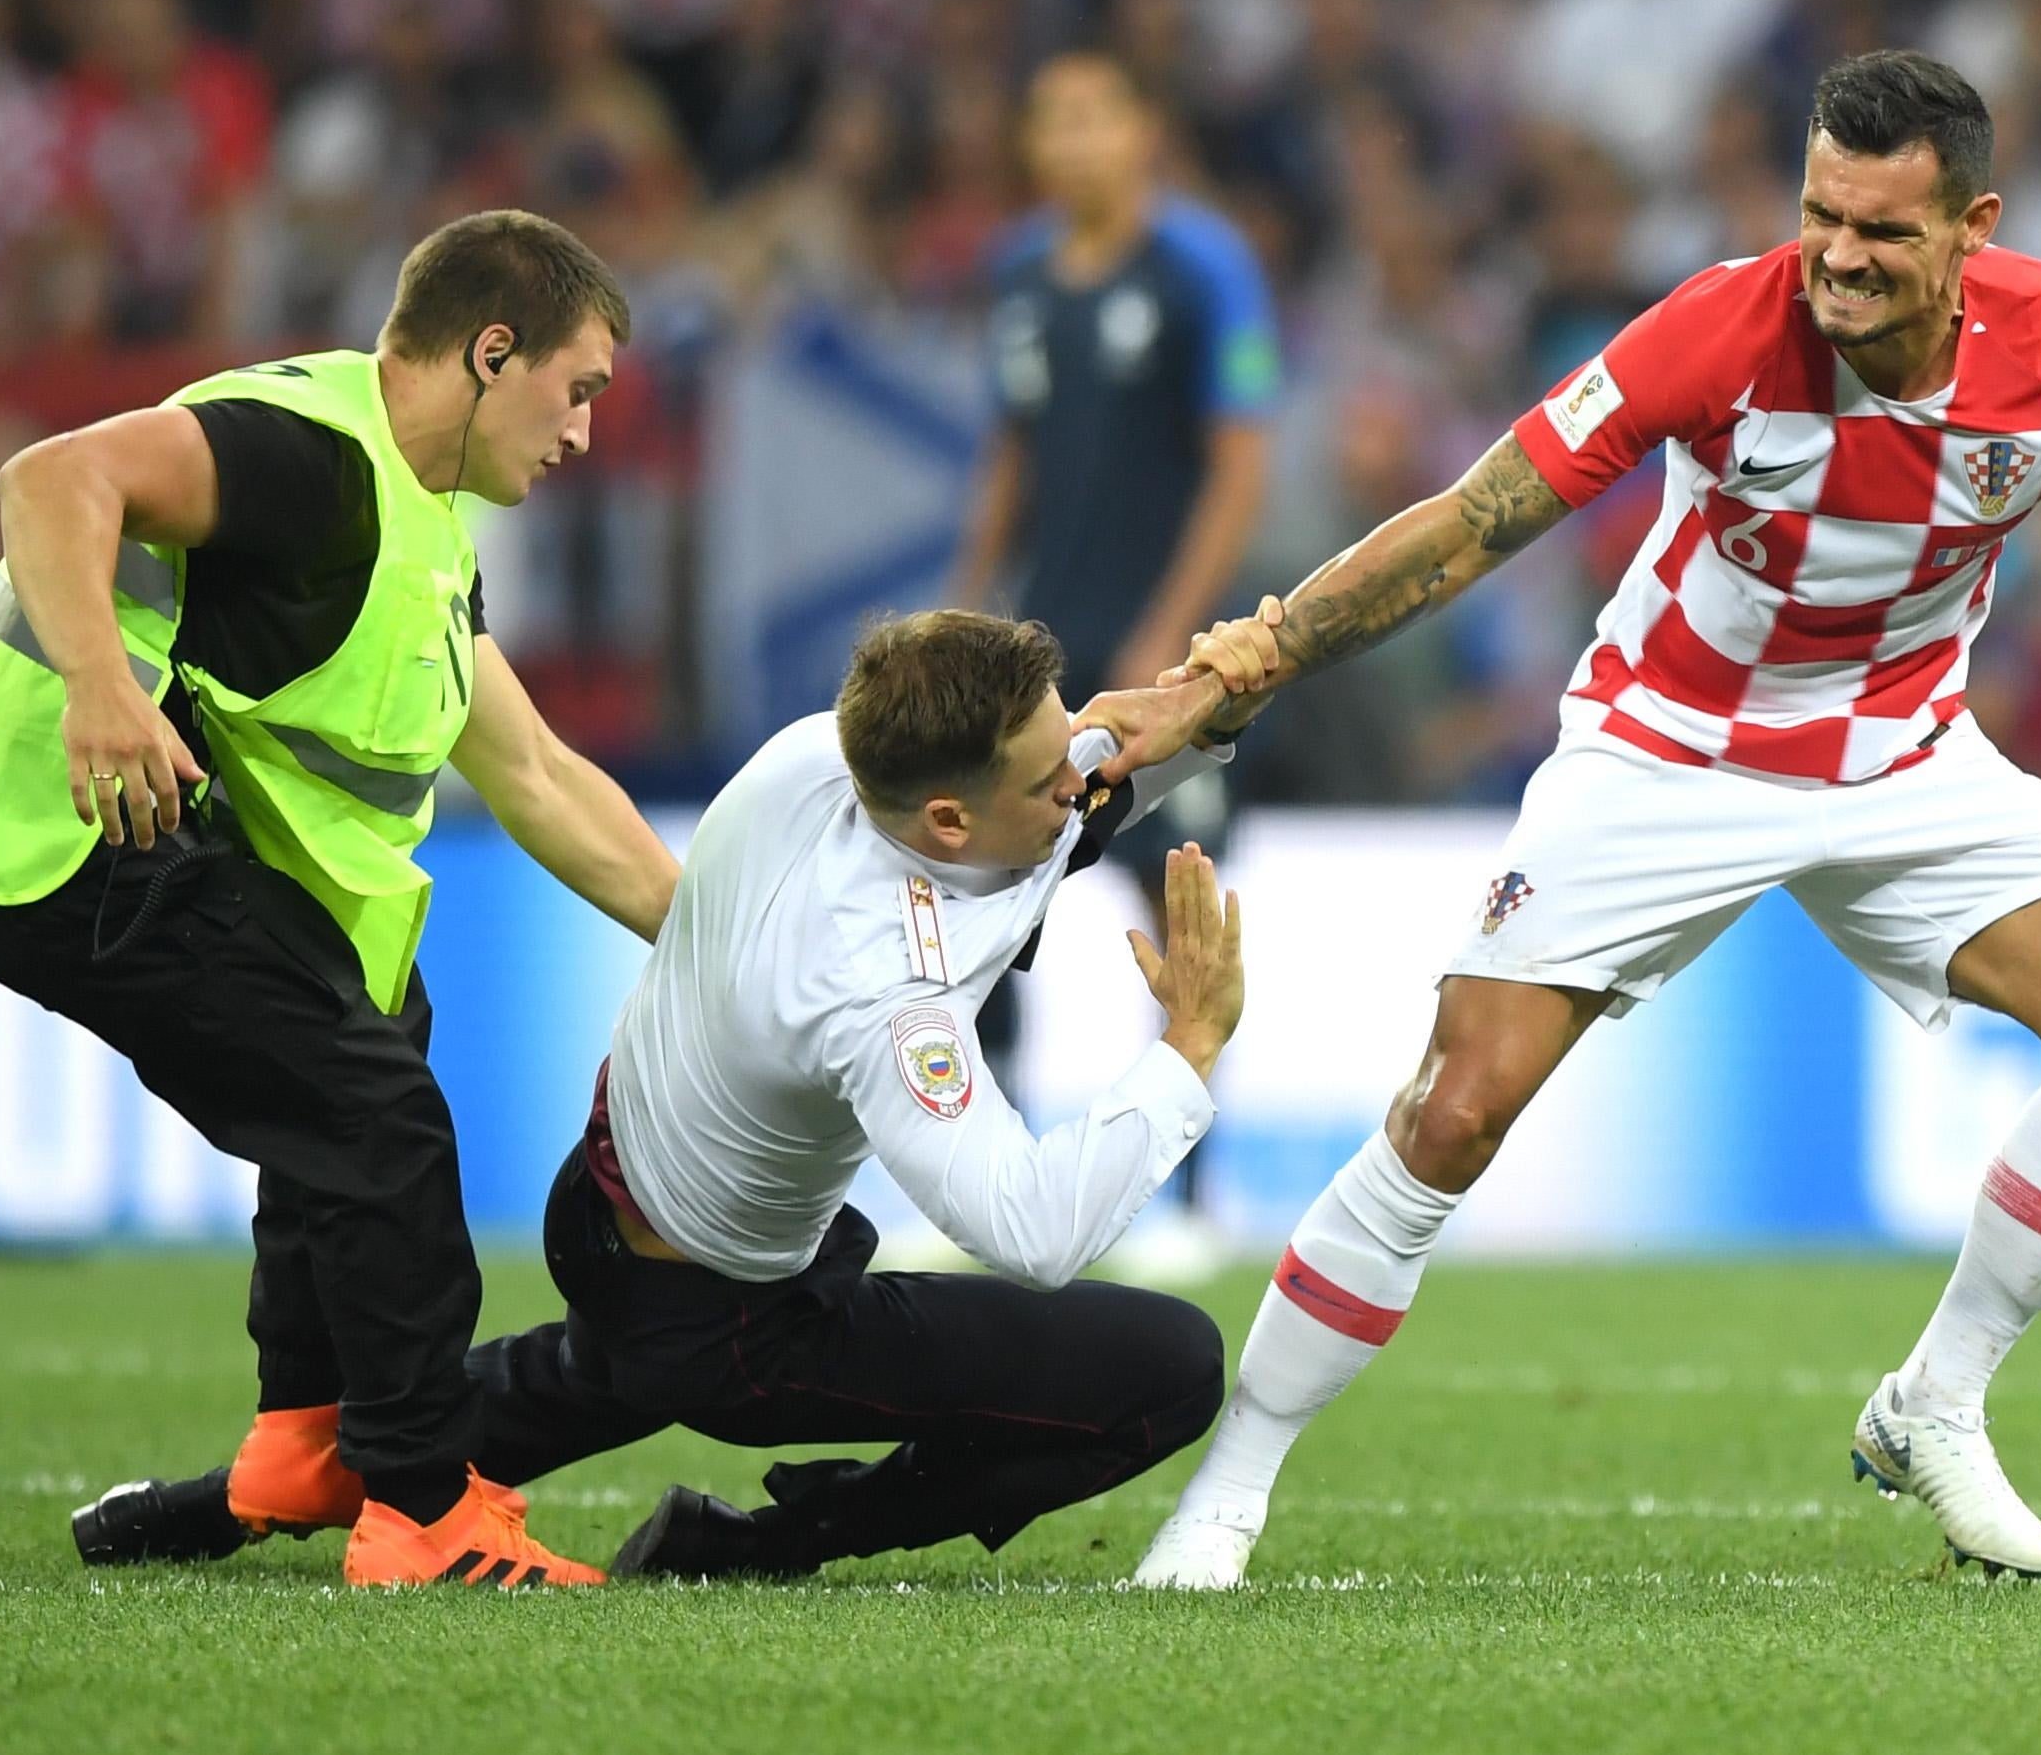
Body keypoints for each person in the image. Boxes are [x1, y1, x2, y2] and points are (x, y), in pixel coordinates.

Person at [1118, 51, 2041, 1590]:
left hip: (1901, 753)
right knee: (1451, 1112)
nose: (1834, 256)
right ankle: (1227, 1487)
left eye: (1882, 232)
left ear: (1973, 226)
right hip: (1665, 749)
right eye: (1819, 212)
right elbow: (1471, 522)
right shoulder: (1714, 323)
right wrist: (1245, 666)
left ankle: (1931, 1401)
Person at [72, 609, 1260, 1582]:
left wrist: (1201, 724)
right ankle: (772, 1544)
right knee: (1166, 1367)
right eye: (1056, 775)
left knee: (538, 1395)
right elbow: (1038, 1232)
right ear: (949, 821)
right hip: (729, 1316)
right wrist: (1188, 1048)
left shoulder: (824, 756)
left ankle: (227, 1501)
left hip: (612, 1210)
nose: (1080, 781)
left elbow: (1042, 832)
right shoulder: (883, 990)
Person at [0, 210, 682, 1589]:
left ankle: (306, 1441)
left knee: (373, 1022)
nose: (584, 434)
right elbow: (53, 476)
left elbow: (539, 775)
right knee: (373, 1111)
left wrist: (735, 943)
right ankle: (423, 1512)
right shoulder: (304, 451)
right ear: (493, 351)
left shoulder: (423, 522)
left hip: (134, 825)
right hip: (49, 826)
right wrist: (98, 687)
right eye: (578, 389)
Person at [951, 52, 1276, 1282]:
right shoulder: (1021, 276)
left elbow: (1240, 462)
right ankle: (992, 1178)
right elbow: (1011, 453)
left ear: (1144, 131)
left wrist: (1175, 638)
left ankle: (1192, 1193)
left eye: (1095, 116)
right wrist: (969, 604)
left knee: (1173, 904)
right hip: (1039, 654)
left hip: (1167, 660)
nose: (1072, 141)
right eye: (1051, 118)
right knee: (980, 905)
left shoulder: (1205, 269)